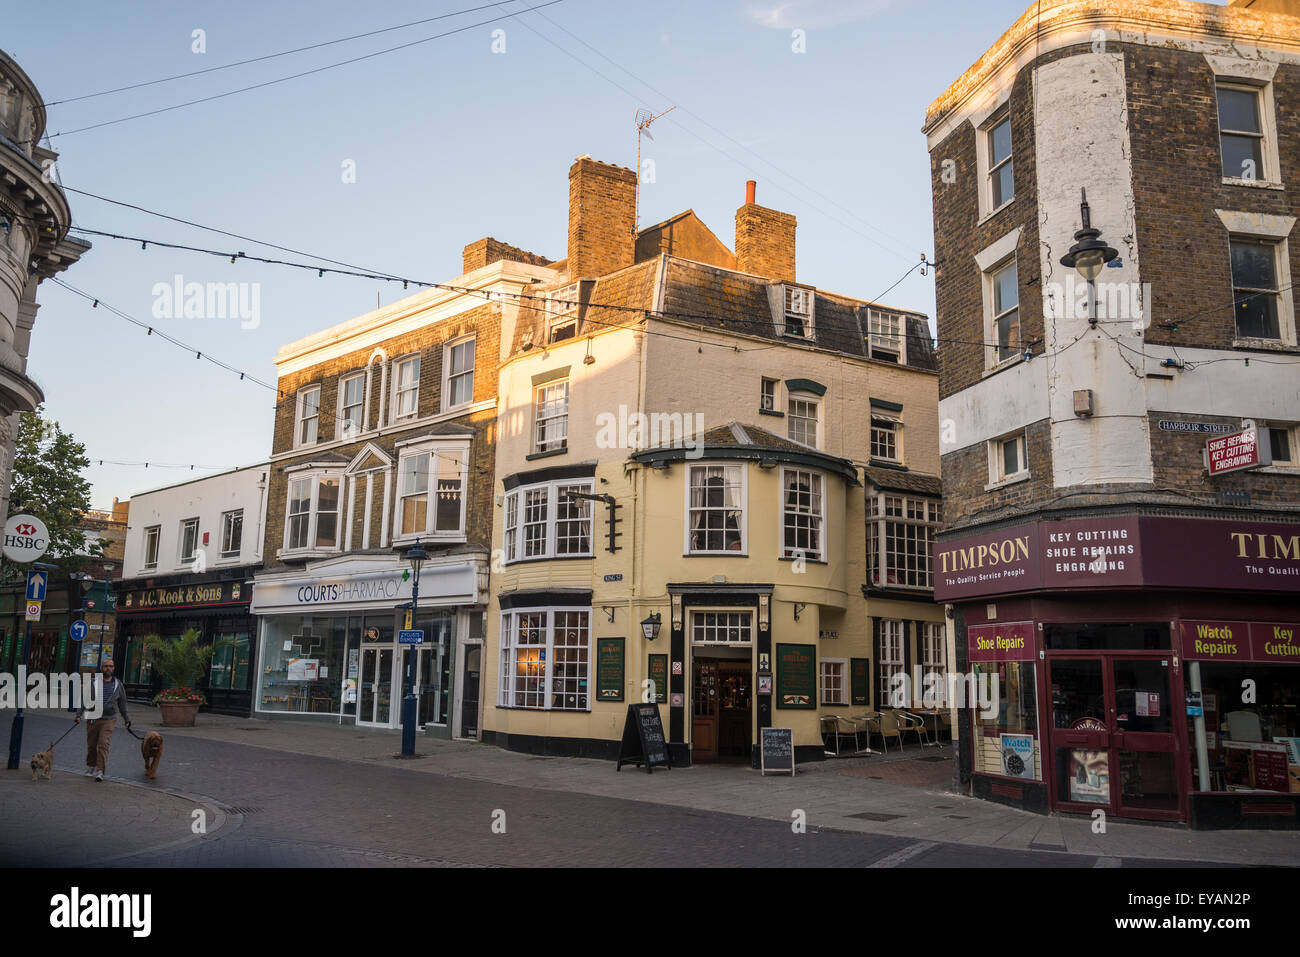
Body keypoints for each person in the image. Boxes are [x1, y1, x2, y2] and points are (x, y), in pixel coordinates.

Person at [75, 658, 131, 781]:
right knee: (91, 745)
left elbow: (122, 703)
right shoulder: (93, 683)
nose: (108, 668)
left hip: (109, 720)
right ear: (101, 668)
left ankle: (100, 771)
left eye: (110, 666)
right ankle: (91, 766)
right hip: (93, 719)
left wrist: (126, 719)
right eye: (106, 666)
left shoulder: (118, 684)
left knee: (103, 744)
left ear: (114, 668)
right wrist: (78, 715)